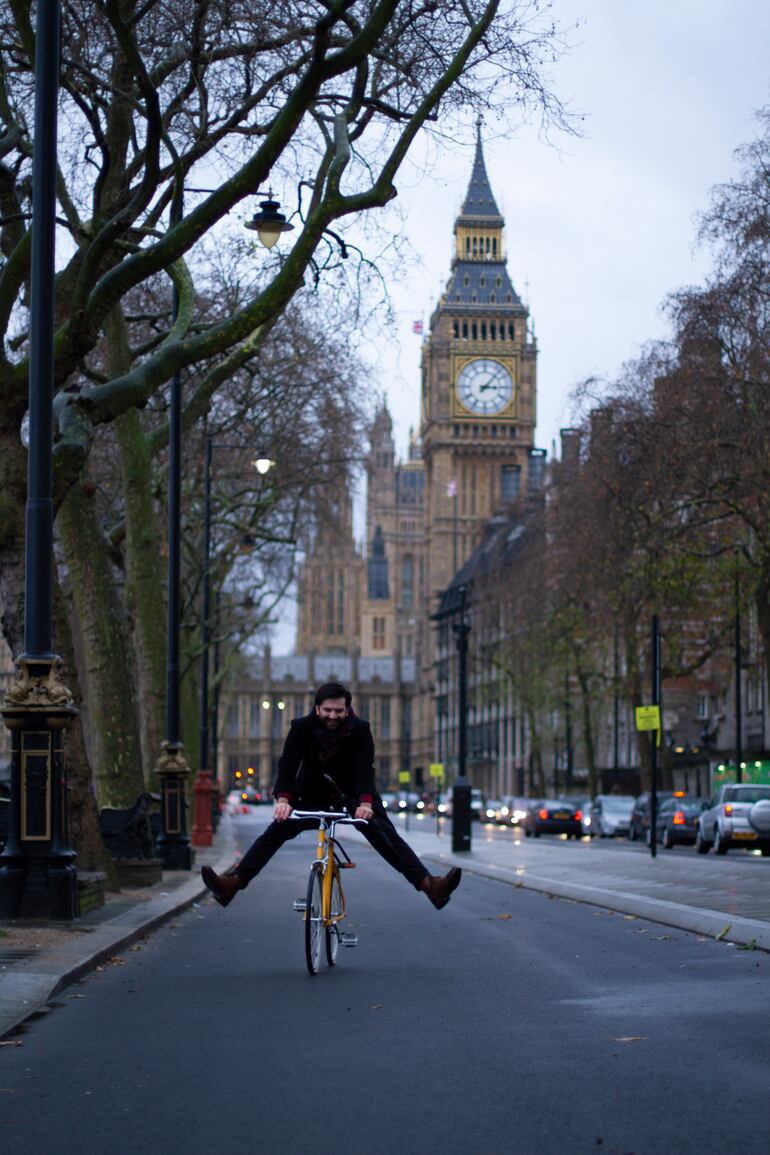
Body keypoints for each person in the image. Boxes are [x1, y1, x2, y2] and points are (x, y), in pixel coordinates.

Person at [201, 682, 462, 911]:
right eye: (327, 710)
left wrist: (365, 803)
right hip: (310, 794)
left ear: (347, 709)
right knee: (275, 832)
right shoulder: (301, 728)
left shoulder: (360, 730)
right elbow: (288, 764)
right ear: (317, 708)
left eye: (339, 711)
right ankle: (232, 884)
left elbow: (364, 769)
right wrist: (282, 799)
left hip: (352, 797)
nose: (333, 716)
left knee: (386, 835)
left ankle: (429, 886)